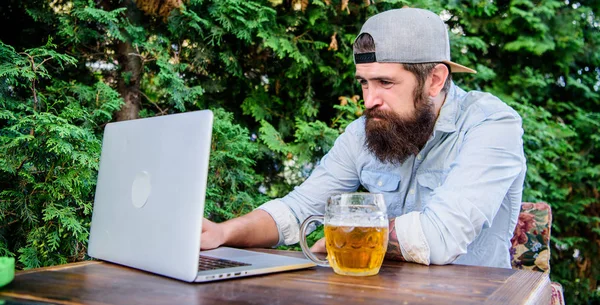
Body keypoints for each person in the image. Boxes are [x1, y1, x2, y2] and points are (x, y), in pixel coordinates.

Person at [201, 7, 526, 268]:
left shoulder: (492, 125)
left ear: (435, 80)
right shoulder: (364, 131)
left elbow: (441, 237)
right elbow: (297, 208)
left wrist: (350, 233)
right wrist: (224, 231)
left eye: (385, 82)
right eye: (364, 83)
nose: (369, 100)